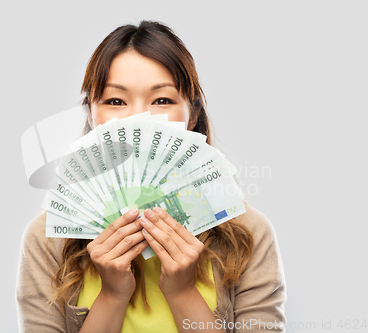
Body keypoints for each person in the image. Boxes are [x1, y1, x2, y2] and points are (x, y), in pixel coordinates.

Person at [16, 21, 287, 333]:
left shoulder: (249, 235)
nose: (137, 120)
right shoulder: (47, 239)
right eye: (115, 101)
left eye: (162, 100)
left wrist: (183, 292)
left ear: (193, 114)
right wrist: (112, 295)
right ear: (91, 114)